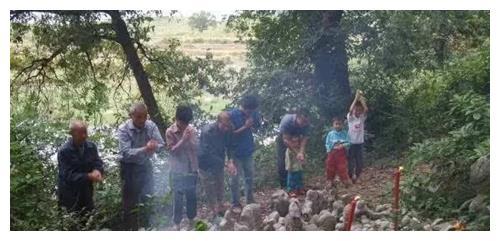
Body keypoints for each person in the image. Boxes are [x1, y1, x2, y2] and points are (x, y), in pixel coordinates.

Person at [117, 102, 165, 230]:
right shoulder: (123, 129)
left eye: (144, 116)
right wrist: (145, 148)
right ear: (131, 116)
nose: (142, 120)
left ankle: (147, 227)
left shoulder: (151, 126)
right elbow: (126, 153)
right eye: (139, 117)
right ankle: (131, 230)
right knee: (129, 203)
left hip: (145, 165)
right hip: (129, 168)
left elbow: (161, 144)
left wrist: (155, 147)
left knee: (148, 197)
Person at [57, 120, 104, 218]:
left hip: (86, 191)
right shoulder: (64, 151)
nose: (84, 136)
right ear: (72, 134)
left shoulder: (91, 146)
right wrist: (88, 176)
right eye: (80, 133)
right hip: (69, 194)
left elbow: (98, 162)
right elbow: (67, 175)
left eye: (85, 132)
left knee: (88, 219)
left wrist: (97, 170)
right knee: (72, 222)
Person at [165, 105, 198, 230]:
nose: (184, 125)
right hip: (177, 170)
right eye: (182, 122)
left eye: (187, 123)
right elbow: (172, 151)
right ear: (176, 118)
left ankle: (192, 219)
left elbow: (196, 148)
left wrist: (190, 139)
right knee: (178, 198)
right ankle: (177, 223)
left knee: (192, 195)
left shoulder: (192, 130)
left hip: (192, 168)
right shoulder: (170, 131)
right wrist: (183, 140)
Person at [227, 95, 262, 209]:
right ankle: (235, 203)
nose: (251, 113)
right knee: (234, 180)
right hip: (235, 152)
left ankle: (250, 200)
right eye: (250, 111)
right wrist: (245, 126)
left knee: (250, 176)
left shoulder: (254, 113)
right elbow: (230, 135)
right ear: (245, 108)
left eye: (253, 111)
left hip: (248, 150)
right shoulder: (232, 115)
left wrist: (254, 125)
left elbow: (257, 127)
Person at [198, 111, 234, 219]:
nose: (225, 129)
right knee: (209, 187)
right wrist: (226, 164)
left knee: (220, 184)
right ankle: (213, 211)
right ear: (218, 122)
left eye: (227, 126)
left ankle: (220, 207)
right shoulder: (207, 131)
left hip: (219, 161)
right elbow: (207, 152)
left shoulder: (229, 129)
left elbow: (230, 146)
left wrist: (230, 161)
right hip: (205, 163)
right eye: (223, 126)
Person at [276, 109, 310, 189]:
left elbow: (305, 138)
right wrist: (296, 153)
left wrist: (301, 152)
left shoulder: (306, 123)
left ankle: (298, 186)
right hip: (284, 140)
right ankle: (285, 187)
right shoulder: (287, 121)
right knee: (283, 163)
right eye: (303, 122)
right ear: (297, 117)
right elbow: (286, 140)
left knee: (299, 163)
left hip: (297, 140)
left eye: (306, 122)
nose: (304, 124)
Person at [347, 90, 368, 183]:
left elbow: (366, 109)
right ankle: (351, 177)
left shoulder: (361, 118)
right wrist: (356, 98)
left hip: (359, 144)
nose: (358, 112)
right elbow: (350, 110)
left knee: (360, 163)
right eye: (356, 110)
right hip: (351, 143)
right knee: (350, 162)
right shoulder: (351, 118)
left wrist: (361, 99)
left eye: (360, 110)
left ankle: (357, 176)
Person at [325, 116, 351, 189]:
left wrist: (343, 145)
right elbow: (327, 143)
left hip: (341, 153)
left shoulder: (345, 133)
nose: (338, 126)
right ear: (333, 125)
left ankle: (344, 180)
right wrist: (328, 150)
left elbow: (349, 142)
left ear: (342, 125)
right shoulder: (330, 134)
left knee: (342, 167)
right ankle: (330, 180)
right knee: (330, 166)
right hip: (332, 152)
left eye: (339, 124)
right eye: (336, 124)